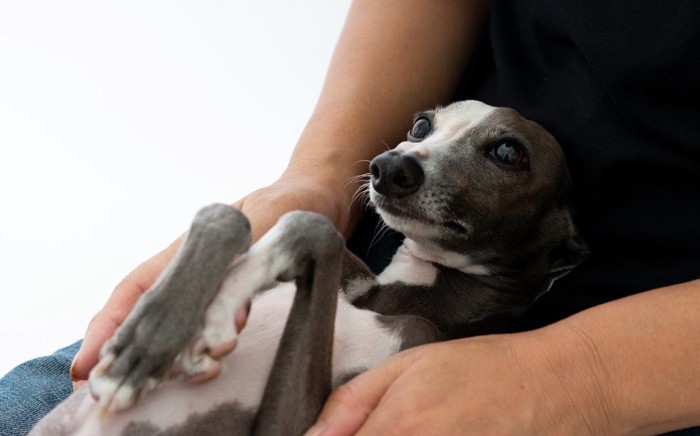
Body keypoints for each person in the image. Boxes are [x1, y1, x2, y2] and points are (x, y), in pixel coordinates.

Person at [2, 0, 699, 434]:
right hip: (341, 254)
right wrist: (319, 179)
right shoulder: (353, 256)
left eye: (504, 154)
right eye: (420, 131)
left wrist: (578, 379)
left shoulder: (422, 329)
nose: (401, 157)